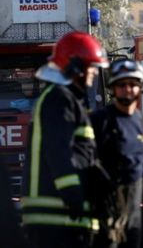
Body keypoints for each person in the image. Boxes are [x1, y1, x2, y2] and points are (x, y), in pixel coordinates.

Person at [21, 31, 109, 248]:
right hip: (57, 220)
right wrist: (75, 199)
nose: (93, 75)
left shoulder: (68, 100)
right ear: (76, 67)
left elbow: (83, 156)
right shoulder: (59, 100)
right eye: (91, 68)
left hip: (64, 218)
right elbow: (61, 154)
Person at [90, 59, 143, 248]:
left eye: (133, 84)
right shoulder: (99, 121)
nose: (128, 89)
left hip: (133, 210)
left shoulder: (142, 122)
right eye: (122, 85)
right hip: (104, 210)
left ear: (140, 88)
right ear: (113, 88)